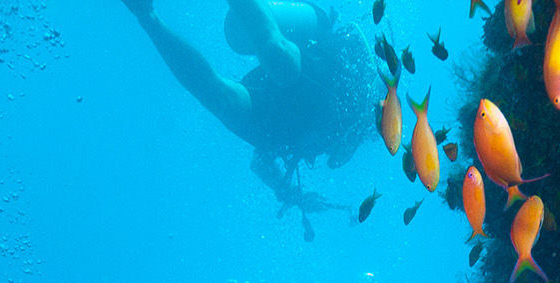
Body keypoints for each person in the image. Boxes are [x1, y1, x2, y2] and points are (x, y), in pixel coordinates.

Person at [119, 1, 374, 230]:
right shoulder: (361, 110)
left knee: (225, 103)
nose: (339, 159)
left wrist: (292, 195)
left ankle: (146, 15)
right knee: (281, 63)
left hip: (285, 126)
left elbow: (260, 164)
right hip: (323, 85)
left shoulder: (332, 140)